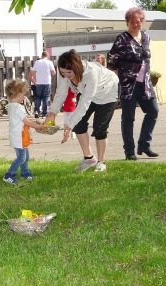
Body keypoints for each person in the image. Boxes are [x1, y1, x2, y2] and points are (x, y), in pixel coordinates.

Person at [45, 50, 119, 173]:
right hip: (87, 93)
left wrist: (69, 124)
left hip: (107, 92)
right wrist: (52, 113)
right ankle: (89, 158)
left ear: (77, 67)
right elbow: (61, 93)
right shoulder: (64, 72)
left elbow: (85, 102)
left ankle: (101, 162)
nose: (66, 75)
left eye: (69, 72)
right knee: (78, 125)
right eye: (63, 73)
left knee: (100, 128)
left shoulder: (91, 73)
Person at [107, 7, 159, 160]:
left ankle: (144, 144)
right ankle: (129, 151)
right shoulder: (122, 38)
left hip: (146, 84)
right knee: (128, 118)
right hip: (128, 85)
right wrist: (117, 80)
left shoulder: (146, 37)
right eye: (132, 21)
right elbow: (111, 60)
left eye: (138, 21)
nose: (136, 24)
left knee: (153, 111)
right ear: (127, 22)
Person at [3, 79, 45, 184]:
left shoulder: (11, 106)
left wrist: (34, 124)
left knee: (25, 157)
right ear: (18, 94)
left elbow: (23, 121)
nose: (24, 97)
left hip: (19, 136)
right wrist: (38, 126)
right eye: (23, 94)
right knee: (22, 158)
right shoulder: (18, 107)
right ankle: (9, 175)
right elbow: (26, 121)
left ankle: (25, 172)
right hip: (19, 137)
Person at [30, 51, 56, 118]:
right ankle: (44, 113)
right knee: (45, 98)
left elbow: (33, 72)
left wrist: (35, 80)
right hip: (47, 82)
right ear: (47, 56)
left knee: (38, 97)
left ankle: (37, 111)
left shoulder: (37, 62)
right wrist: (50, 73)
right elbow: (53, 73)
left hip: (38, 82)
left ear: (41, 55)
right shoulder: (49, 62)